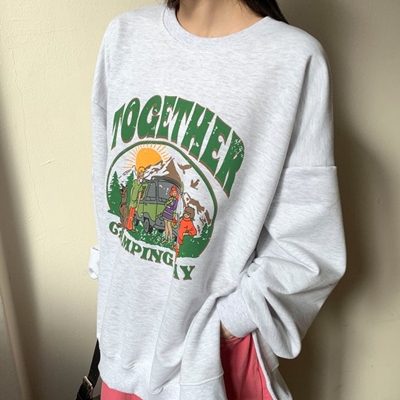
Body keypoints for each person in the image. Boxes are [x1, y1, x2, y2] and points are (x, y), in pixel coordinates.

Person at [88, 0, 346, 399]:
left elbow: (308, 249)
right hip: (120, 357)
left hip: (210, 370)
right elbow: (107, 198)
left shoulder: (293, 59)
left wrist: (225, 327)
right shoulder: (124, 36)